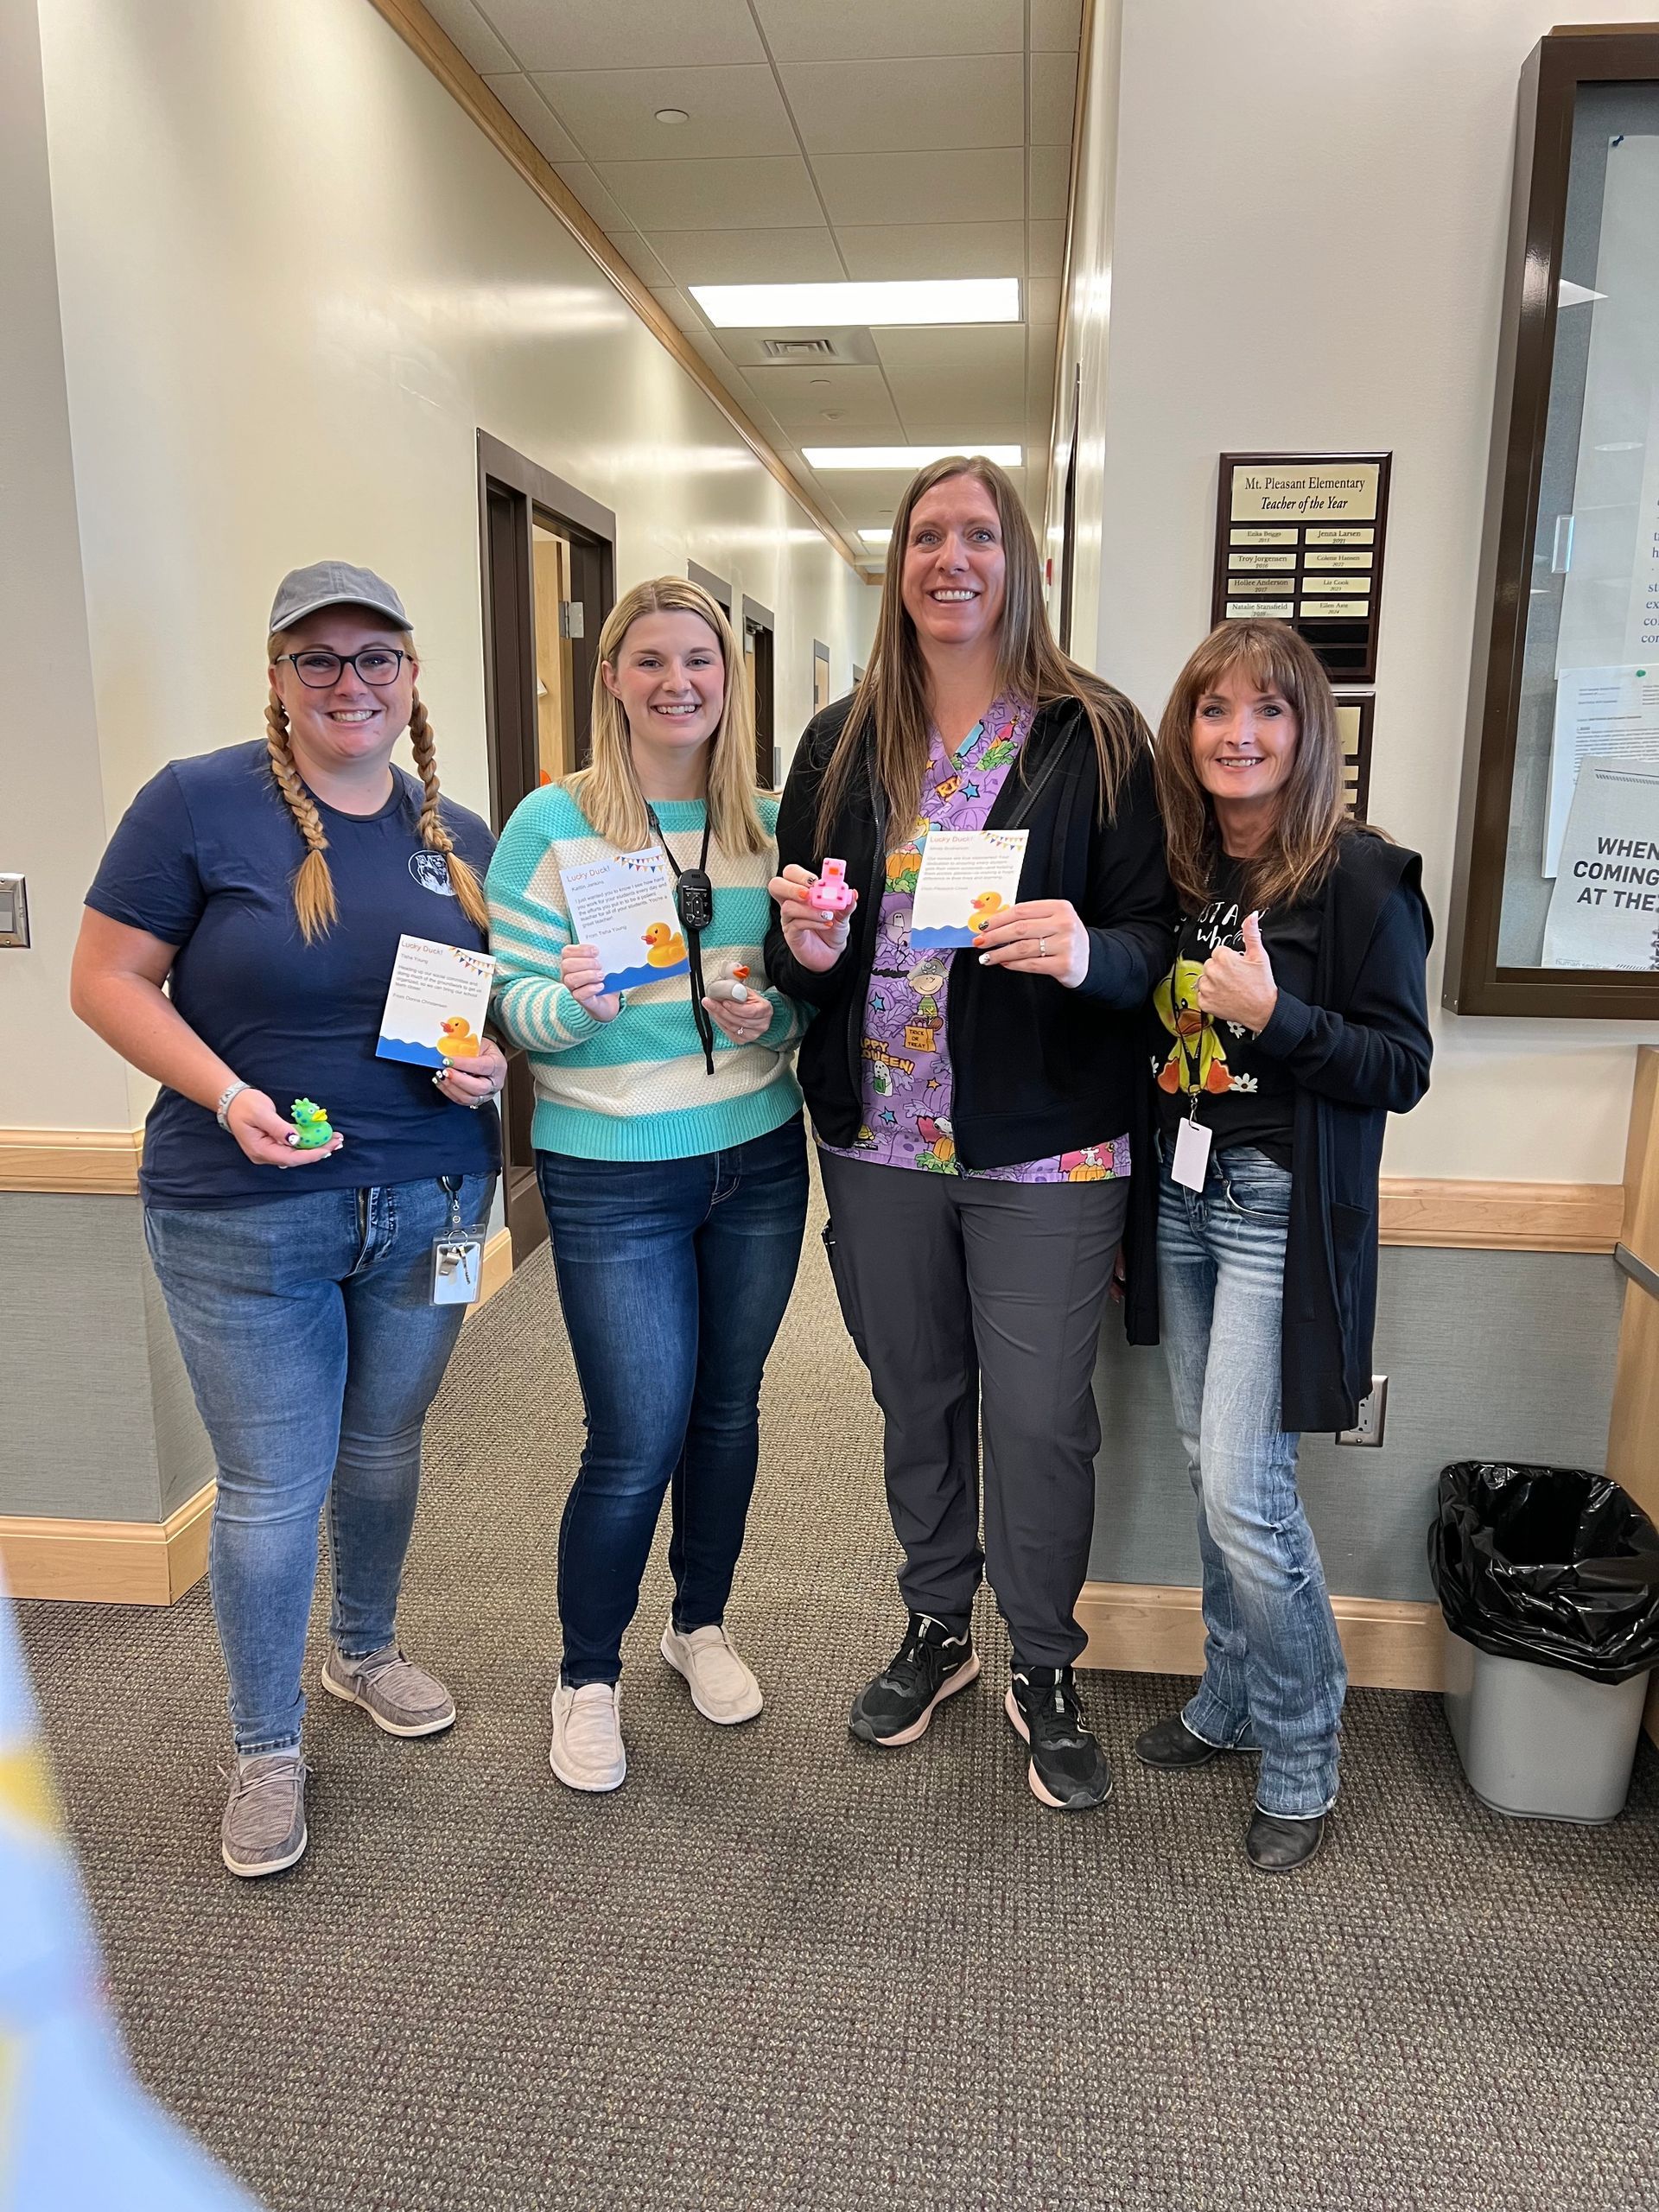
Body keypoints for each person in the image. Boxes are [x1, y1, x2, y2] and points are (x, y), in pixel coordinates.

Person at [71, 562, 504, 1878]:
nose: (349, 684)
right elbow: (104, 979)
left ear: (413, 676)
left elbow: (472, 1016)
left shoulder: (459, 836)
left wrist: (483, 1069)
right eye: (318, 659)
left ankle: (361, 1653)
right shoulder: (197, 805)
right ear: (277, 677)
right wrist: (226, 1089)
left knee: (385, 1447)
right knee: (272, 1486)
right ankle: (265, 1747)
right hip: (243, 1212)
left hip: (432, 1197)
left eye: (377, 658)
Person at [766, 455, 1173, 1815]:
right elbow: (811, 949)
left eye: (979, 534)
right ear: (900, 563)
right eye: (929, 534)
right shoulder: (839, 742)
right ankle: (939, 1625)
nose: (953, 557)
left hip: (1046, 1150)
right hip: (880, 1140)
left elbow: (1153, 942)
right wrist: (807, 944)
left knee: (1047, 1421)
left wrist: (1084, 950)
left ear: (1022, 562)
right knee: (916, 1395)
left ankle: (1043, 1663)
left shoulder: (1096, 735)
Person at [486, 576, 808, 1796]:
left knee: (728, 1411)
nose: (680, 682)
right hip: (613, 1172)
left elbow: (802, 991)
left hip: (759, 1157)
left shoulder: (764, 822)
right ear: (611, 675)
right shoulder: (550, 825)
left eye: (703, 662)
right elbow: (511, 1005)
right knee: (633, 1435)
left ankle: (700, 1623)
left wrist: (761, 1004)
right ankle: (586, 1676)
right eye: (653, 661)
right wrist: (573, 1003)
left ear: (732, 681)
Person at [1139, 618, 1432, 1872]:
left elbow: (1401, 1067)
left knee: (1248, 1497)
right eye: (1215, 711)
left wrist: (1280, 1015)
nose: (1238, 734)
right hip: (1178, 1195)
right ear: (1188, 730)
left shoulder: (1359, 876)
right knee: (1210, 1465)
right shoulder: (1182, 868)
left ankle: (1304, 1754)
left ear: (1307, 733)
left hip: (1274, 1207)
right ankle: (1228, 1696)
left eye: (1267, 712)